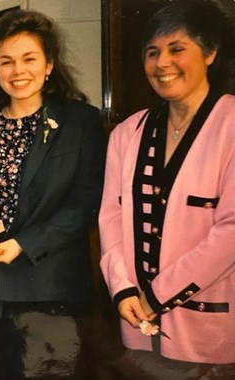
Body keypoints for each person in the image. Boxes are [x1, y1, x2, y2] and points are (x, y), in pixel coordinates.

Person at [0, 9, 107, 380]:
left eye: (29, 59)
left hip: (52, 291)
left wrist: (23, 244)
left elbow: (84, 205)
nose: (18, 71)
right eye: (7, 62)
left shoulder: (80, 122)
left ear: (49, 64)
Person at [99, 1, 235, 378]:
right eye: (152, 52)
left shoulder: (231, 124)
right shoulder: (128, 132)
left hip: (212, 328)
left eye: (177, 49)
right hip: (137, 324)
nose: (162, 63)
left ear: (209, 52)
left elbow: (231, 232)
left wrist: (158, 295)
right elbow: (110, 215)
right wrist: (123, 289)